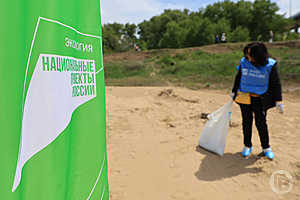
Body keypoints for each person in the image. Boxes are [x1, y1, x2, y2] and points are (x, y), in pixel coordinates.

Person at [231, 42, 283, 160]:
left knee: (261, 123)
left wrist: (278, 100)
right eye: (247, 54)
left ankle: (266, 148)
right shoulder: (244, 62)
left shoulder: (270, 65)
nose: (248, 57)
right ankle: (247, 145)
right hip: (245, 97)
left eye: (250, 55)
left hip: (260, 99)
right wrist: (234, 91)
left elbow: (276, 83)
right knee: (246, 122)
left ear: (258, 56)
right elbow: (238, 77)